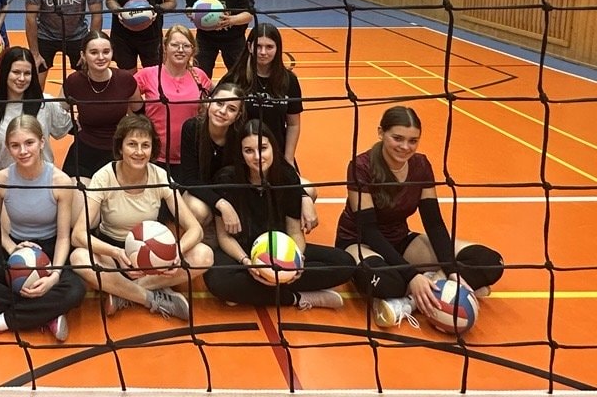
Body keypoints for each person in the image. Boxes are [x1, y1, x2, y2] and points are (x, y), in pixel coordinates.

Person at [335, 105, 504, 328]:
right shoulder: (361, 166)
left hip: (399, 240)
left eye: (413, 141)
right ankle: (435, 289)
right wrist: (412, 275)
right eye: (397, 138)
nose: (405, 147)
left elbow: (434, 223)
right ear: (381, 133)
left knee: (489, 262)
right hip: (360, 243)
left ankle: (412, 300)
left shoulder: (421, 165)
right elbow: (369, 230)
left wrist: (452, 270)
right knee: (390, 283)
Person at [0, 115, 87, 341]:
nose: (23, 151)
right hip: (15, 248)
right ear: (8, 147)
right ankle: (46, 313)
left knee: (75, 291)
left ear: (42, 142)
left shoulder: (60, 181)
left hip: (51, 249)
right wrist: (12, 248)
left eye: (29, 143)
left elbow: (64, 237)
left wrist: (54, 275)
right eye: (15, 145)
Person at [70, 114, 213, 321]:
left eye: (145, 145)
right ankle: (151, 298)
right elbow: (78, 235)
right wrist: (116, 252)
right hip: (115, 256)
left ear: (152, 150)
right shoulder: (104, 176)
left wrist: (175, 254)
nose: (139, 152)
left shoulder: (159, 175)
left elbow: (195, 229)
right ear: (120, 148)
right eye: (132, 144)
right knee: (79, 258)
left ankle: (122, 293)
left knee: (204, 255)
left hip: (153, 256)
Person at [205, 119, 355, 310]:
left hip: (281, 251)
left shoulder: (287, 177)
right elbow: (224, 237)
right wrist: (248, 263)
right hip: (242, 252)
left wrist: (296, 261)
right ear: (241, 154)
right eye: (249, 151)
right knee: (218, 280)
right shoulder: (226, 179)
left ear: (273, 148)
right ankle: (296, 297)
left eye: (263, 148)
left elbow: (295, 232)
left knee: (345, 263)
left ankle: (253, 293)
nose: (257, 156)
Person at [224, 22, 317, 232]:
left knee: (309, 192)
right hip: (244, 155)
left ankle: (282, 229)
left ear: (277, 48)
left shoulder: (288, 80)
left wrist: (289, 159)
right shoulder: (236, 77)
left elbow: (293, 123)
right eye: (258, 46)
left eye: (269, 47)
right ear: (249, 47)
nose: (263, 52)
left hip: (275, 154)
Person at [59, 30, 142, 184]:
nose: (101, 57)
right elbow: (58, 112)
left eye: (106, 52)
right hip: (84, 152)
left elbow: (140, 114)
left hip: (118, 153)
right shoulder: (74, 81)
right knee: (80, 196)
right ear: (83, 55)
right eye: (94, 52)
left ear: (112, 53)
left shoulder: (125, 80)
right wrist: (72, 127)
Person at [133, 24, 212, 179]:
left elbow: (218, 97)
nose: (180, 50)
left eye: (186, 46)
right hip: (154, 157)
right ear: (165, 47)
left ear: (193, 50)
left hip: (190, 157)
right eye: (175, 45)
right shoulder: (148, 74)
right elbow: (125, 92)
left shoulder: (199, 76)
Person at [0, 46, 73, 175]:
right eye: (16, 72)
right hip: (4, 183)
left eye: (27, 73)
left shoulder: (45, 103)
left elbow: (67, 128)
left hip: (43, 181)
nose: (22, 78)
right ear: (5, 73)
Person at [177, 83, 247, 227]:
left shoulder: (241, 135)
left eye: (231, 109)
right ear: (208, 102)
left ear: (238, 116)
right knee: (198, 211)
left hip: (229, 192)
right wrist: (221, 204)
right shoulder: (192, 128)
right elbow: (190, 180)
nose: (223, 111)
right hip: (200, 191)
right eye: (219, 103)